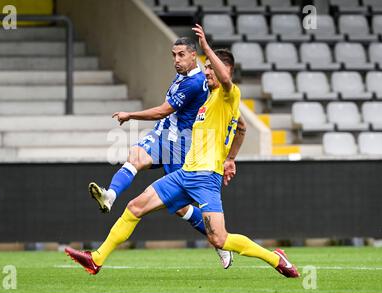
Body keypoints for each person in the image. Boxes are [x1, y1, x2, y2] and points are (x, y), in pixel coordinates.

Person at [66, 24, 299, 278]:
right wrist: (231, 158)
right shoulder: (208, 101)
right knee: (135, 207)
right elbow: (241, 128)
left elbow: (226, 83)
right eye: (206, 67)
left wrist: (206, 48)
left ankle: (274, 258)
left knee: (220, 238)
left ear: (225, 71)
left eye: (210, 68)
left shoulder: (228, 96)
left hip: (206, 178)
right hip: (185, 173)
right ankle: (96, 259)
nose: (206, 73)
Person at [89, 37, 234, 268]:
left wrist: (130, 115)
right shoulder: (183, 75)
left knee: (180, 207)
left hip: (180, 147)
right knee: (134, 156)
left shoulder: (195, 82)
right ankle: (110, 196)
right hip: (162, 136)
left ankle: (218, 242)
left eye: (181, 55)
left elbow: (162, 111)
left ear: (193, 55)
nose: (176, 60)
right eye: (173, 55)